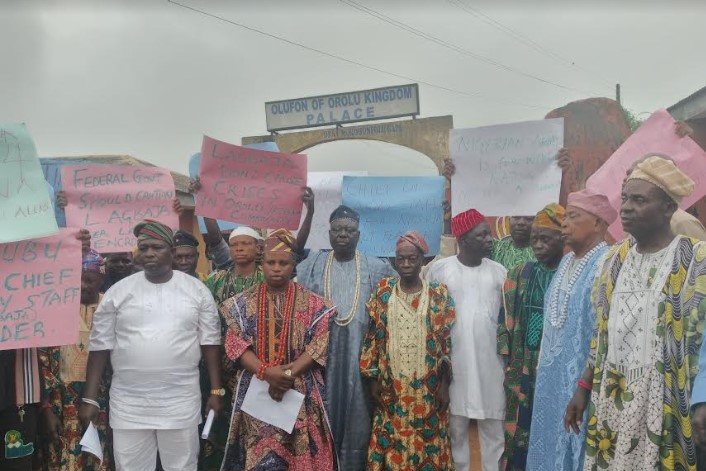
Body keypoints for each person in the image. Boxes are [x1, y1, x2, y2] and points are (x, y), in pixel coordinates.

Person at [565, 156, 706, 470]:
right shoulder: (613, 261)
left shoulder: (695, 260)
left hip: (668, 403)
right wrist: (583, 387)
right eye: (625, 198)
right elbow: (601, 333)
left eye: (639, 200)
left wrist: (702, 399)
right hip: (612, 398)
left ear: (669, 208)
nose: (626, 207)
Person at [79, 220, 223, 471]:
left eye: (156, 247)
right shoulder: (119, 292)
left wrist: (215, 390)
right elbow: (100, 346)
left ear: (171, 250)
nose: (149, 254)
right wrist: (90, 399)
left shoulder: (196, 290)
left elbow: (210, 342)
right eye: (143, 248)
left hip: (180, 402)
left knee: (182, 466)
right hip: (129, 404)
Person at [219, 229, 337, 470]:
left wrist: (286, 375)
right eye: (270, 262)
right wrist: (266, 372)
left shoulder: (316, 304)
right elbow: (236, 344)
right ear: (262, 264)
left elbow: (319, 345)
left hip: (300, 390)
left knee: (301, 456)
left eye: (283, 263)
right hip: (256, 391)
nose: (276, 268)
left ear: (293, 264)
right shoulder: (241, 304)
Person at [296, 204, 396, 470]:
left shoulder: (377, 268)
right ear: (329, 234)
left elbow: (403, 287)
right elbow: (290, 265)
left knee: (359, 419)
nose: (343, 234)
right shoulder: (312, 265)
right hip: (318, 361)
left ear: (359, 235)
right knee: (321, 416)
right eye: (338, 229)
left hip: (361, 363)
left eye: (349, 230)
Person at [526, 189, 615, 471]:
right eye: (564, 218)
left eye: (573, 217)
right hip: (550, 383)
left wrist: (584, 385)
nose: (564, 224)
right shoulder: (565, 262)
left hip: (582, 385)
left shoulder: (608, 263)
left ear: (599, 223)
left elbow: (605, 332)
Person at [360, 231, 455, 469]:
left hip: (428, 390)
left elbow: (445, 343)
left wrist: (445, 385)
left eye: (412, 258)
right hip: (392, 389)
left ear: (423, 260)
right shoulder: (383, 292)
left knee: (429, 444)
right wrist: (372, 380)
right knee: (391, 442)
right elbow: (372, 338)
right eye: (401, 259)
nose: (406, 264)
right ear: (394, 261)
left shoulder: (439, 294)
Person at [0, 229, 92, 471]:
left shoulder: (22, 262)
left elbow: (50, 274)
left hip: (18, 399)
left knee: (15, 464)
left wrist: (68, 251)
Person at [425, 208, 507, 471]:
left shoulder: (499, 272)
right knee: (455, 431)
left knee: (494, 430)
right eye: (482, 234)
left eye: (488, 233)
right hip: (455, 366)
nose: (489, 239)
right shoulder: (439, 271)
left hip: (491, 365)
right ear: (464, 239)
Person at [497, 203, 565, 470]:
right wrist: (508, 360)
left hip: (556, 369)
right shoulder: (521, 273)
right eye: (535, 239)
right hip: (523, 367)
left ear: (562, 238)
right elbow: (504, 320)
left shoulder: (572, 276)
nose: (537, 245)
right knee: (518, 434)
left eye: (545, 239)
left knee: (553, 428)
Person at [38, 250, 113, 470]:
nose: (82, 285)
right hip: (62, 401)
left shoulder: (112, 305)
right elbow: (43, 359)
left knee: (101, 457)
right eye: (76, 279)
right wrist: (46, 406)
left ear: (101, 277)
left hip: (104, 400)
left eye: (89, 280)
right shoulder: (54, 309)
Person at [199, 226, 265, 471]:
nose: (238, 248)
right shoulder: (216, 280)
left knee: (254, 428)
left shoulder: (267, 278)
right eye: (235, 244)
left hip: (257, 366)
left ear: (258, 248)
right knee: (219, 426)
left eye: (245, 243)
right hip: (219, 365)